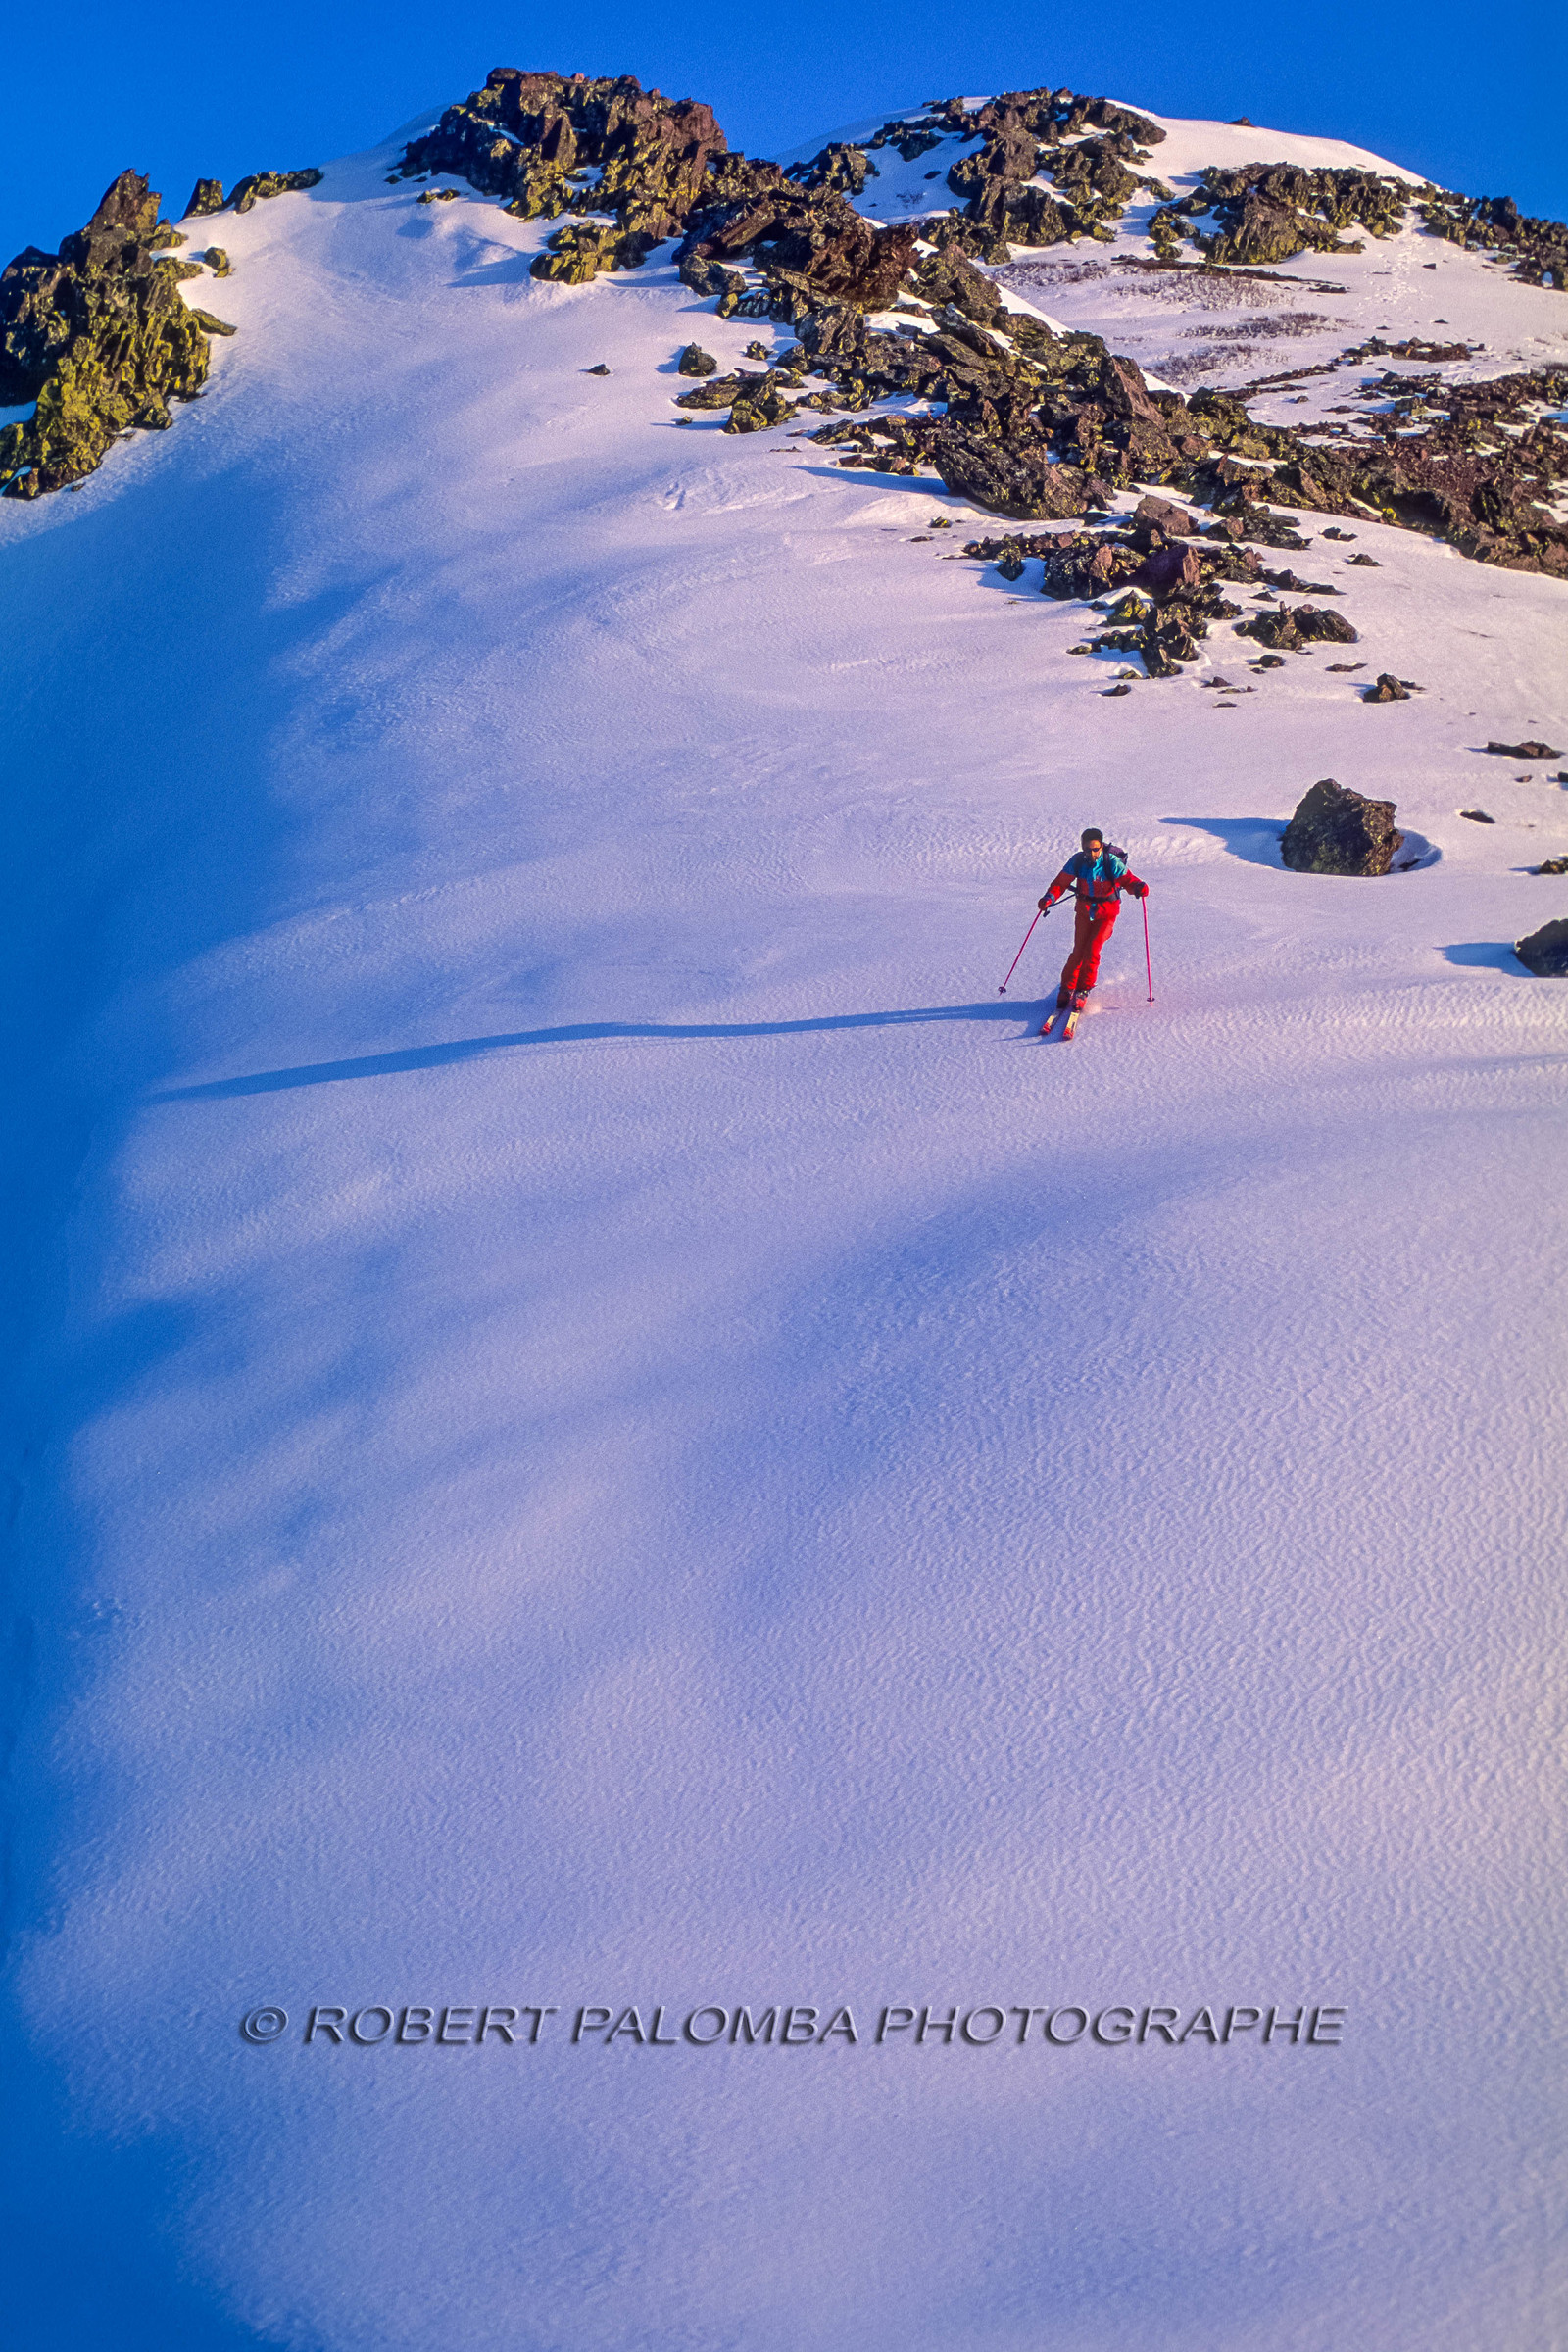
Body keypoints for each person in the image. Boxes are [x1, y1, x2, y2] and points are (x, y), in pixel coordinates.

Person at [1038, 829, 1149, 1011]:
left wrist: (1138, 887)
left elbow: (1128, 880)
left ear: (1101, 846)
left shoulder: (1110, 862)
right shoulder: (1077, 861)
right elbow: (1060, 883)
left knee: (1092, 950)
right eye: (1088, 849)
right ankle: (1067, 988)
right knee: (1078, 951)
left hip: (1107, 914)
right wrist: (1049, 898)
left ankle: (1083, 990)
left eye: (1096, 849)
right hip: (1084, 912)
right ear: (1083, 847)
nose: (1092, 853)